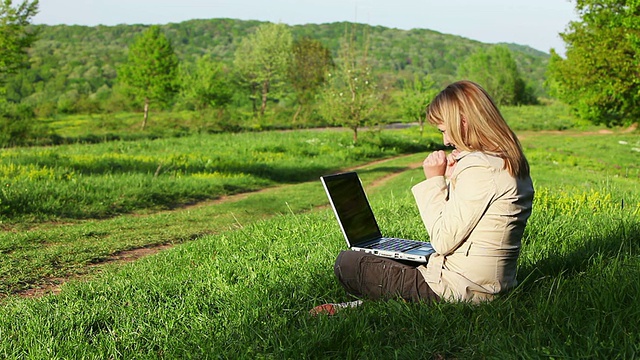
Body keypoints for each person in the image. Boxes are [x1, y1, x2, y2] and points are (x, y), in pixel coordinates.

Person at [311, 80, 534, 315]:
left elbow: (442, 240)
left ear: (463, 121)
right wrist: (452, 180)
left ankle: (378, 304)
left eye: (444, 130)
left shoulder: (480, 169)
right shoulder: (502, 160)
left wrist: (434, 180)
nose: (446, 140)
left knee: (349, 262)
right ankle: (374, 304)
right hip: (479, 281)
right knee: (391, 257)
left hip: (463, 291)